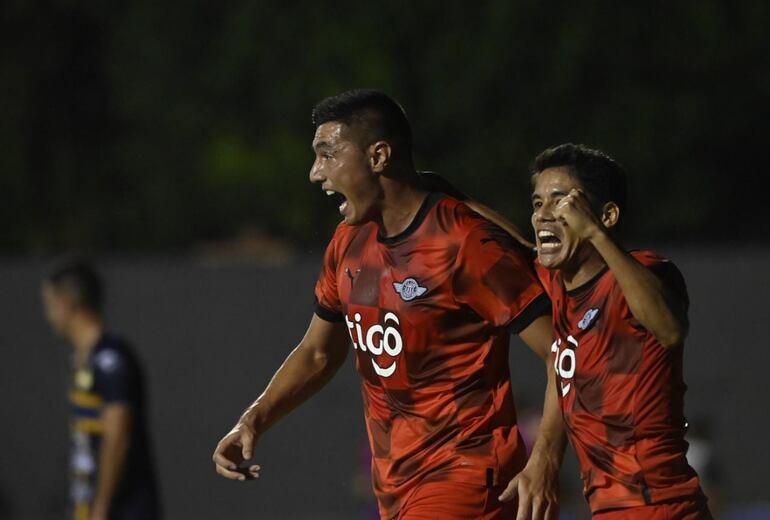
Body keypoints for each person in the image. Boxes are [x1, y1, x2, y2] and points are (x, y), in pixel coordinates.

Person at [213, 89, 565, 519]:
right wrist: (254, 419)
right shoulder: (348, 243)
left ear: (378, 156)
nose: (314, 173)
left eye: (327, 155)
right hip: (395, 488)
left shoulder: (461, 242)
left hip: (465, 477)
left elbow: (563, 353)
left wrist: (545, 456)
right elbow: (319, 352)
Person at [529, 143, 711, 518]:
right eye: (536, 203)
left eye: (561, 201)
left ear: (606, 215)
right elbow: (498, 239)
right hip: (609, 509)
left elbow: (670, 330)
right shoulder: (556, 285)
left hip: (660, 505)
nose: (543, 214)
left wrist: (595, 235)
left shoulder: (646, 274)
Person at [41, 260, 160, 520]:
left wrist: (100, 509)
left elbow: (116, 437)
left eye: (49, 304)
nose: (48, 314)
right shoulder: (84, 358)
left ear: (67, 303)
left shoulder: (110, 358)